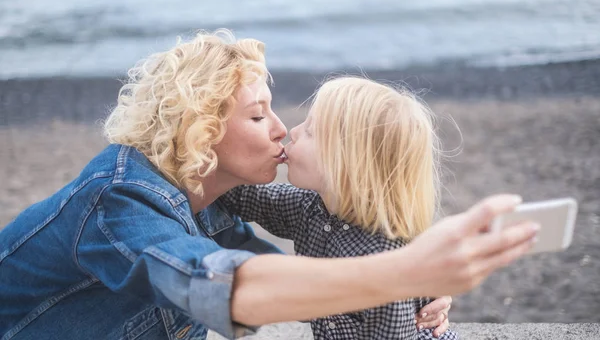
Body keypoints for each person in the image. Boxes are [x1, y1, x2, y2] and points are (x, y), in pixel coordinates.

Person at [0, 30, 539, 340]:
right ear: (201, 132)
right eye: (259, 117)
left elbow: (302, 282)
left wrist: (416, 288)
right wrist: (405, 271)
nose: (283, 129)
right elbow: (227, 287)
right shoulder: (120, 203)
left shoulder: (212, 197)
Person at [219, 76, 457, 339]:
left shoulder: (381, 258)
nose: (292, 132)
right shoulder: (312, 208)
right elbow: (247, 197)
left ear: (345, 163)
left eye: (310, 131)